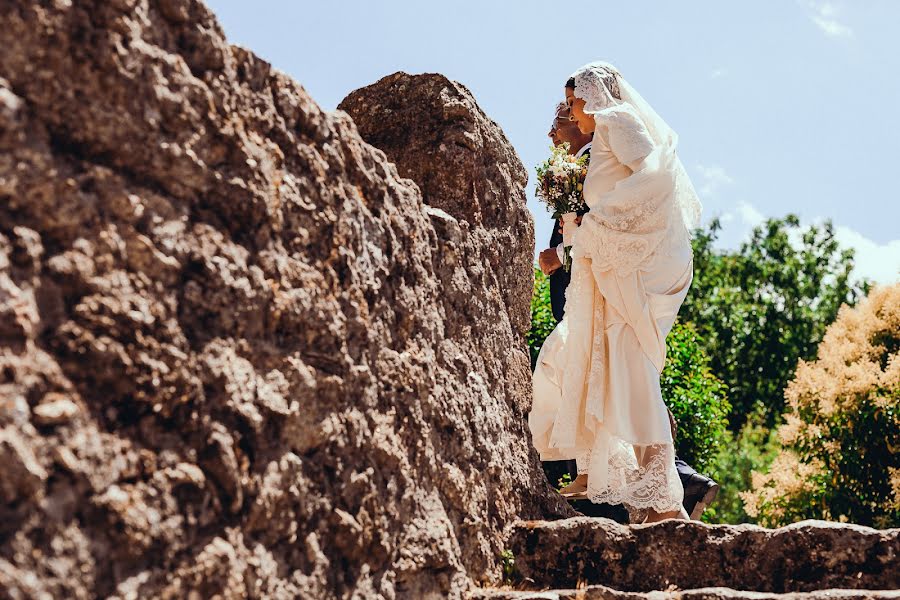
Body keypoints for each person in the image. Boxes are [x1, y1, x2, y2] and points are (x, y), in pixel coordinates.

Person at [530, 62, 709, 523]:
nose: (571, 112)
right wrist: (580, 235)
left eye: (572, 102)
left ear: (590, 96)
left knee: (630, 363)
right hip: (609, 269)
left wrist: (600, 223)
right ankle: (626, 485)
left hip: (637, 268)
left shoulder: (617, 121)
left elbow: (657, 178)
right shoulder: (604, 133)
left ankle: (664, 497)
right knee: (600, 363)